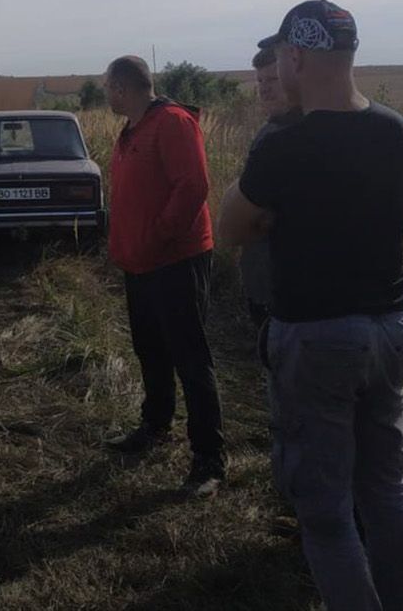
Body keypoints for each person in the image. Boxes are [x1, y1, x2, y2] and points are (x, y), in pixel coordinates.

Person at [218, 0, 403, 611]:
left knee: (327, 512)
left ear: (295, 57)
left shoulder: (286, 144)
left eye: (278, 59)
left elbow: (231, 227)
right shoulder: (395, 129)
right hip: (391, 329)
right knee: (387, 488)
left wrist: (266, 210)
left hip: (317, 337)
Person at [100, 54, 225, 497]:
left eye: (108, 86)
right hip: (140, 263)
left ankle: (209, 458)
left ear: (122, 87)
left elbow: (193, 186)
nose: (106, 93)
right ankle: (155, 425)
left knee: (190, 358)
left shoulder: (172, 122)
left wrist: (156, 238)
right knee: (150, 350)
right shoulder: (133, 128)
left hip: (175, 261)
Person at [241, 46, 303, 338]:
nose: (264, 89)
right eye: (260, 82)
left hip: (287, 289)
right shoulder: (271, 129)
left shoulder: (298, 131)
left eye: (272, 80)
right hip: (263, 277)